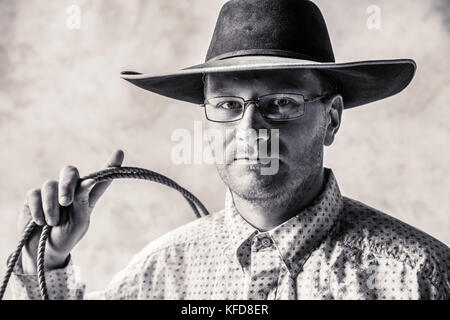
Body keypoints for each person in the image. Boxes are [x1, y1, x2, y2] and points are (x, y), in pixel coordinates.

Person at [10, 0, 449, 300]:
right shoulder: (166, 271)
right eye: (227, 105)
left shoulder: (419, 277)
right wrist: (51, 256)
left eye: (281, 103)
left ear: (331, 118)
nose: (251, 128)